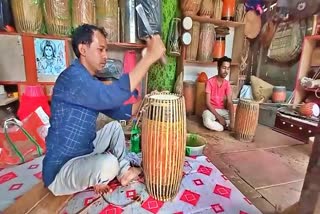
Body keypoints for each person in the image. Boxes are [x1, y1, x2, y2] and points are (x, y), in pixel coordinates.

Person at [42, 24, 165, 196]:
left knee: (114, 128)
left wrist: (147, 101)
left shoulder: (88, 81)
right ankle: (108, 170)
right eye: (100, 49)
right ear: (83, 49)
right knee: (108, 163)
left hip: (85, 150)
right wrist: (148, 58)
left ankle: (124, 172)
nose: (105, 56)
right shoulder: (73, 78)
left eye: (105, 50)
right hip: (62, 168)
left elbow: (121, 111)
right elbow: (112, 96)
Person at [202, 56, 234, 132]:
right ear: (218, 68)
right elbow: (207, 103)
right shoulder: (210, 82)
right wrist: (219, 118)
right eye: (224, 68)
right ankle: (223, 127)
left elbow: (230, 102)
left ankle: (221, 125)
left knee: (235, 119)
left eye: (228, 68)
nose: (226, 71)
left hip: (222, 111)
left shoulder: (227, 84)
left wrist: (232, 122)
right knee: (207, 120)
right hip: (211, 110)